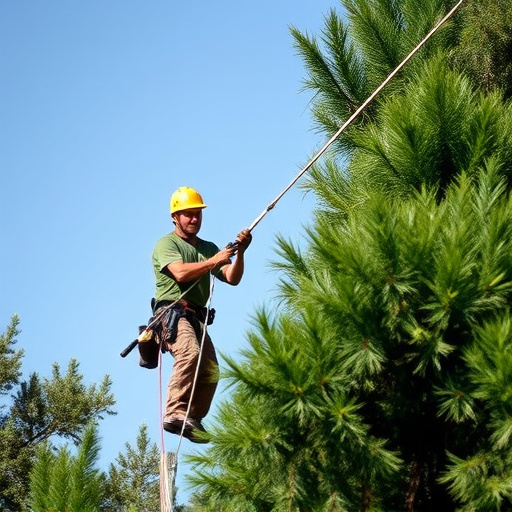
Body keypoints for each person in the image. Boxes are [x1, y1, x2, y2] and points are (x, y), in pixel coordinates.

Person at [152, 186, 252, 443]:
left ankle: (191, 418)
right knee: (190, 353)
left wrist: (239, 253)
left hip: (196, 317)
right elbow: (181, 273)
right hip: (173, 312)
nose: (194, 219)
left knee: (210, 370)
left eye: (197, 214)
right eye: (188, 215)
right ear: (175, 217)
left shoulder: (208, 247)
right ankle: (174, 411)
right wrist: (214, 260)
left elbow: (232, 278)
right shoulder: (167, 244)